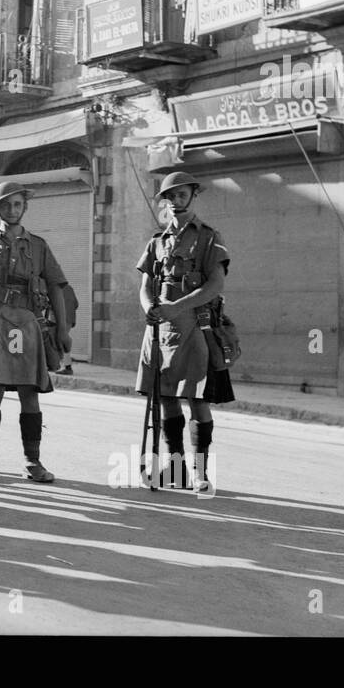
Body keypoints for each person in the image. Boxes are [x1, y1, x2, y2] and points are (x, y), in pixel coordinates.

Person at [0, 181, 71, 483]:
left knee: (30, 395)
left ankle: (32, 461)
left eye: (18, 204)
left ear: (25, 207)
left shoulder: (38, 246)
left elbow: (56, 286)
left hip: (28, 324)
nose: (13, 210)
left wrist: (62, 328)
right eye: (6, 205)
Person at [136, 171, 233, 492]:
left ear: (193, 195)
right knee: (166, 398)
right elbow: (146, 285)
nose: (175, 202)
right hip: (161, 330)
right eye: (170, 197)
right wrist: (149, 305)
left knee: (197, 397)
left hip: (195, 325)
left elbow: (215, 285)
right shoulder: (157, 241)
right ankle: (175, 469)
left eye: (181, 195)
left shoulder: (208, 237)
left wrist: (177, 307)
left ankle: (200, 471)